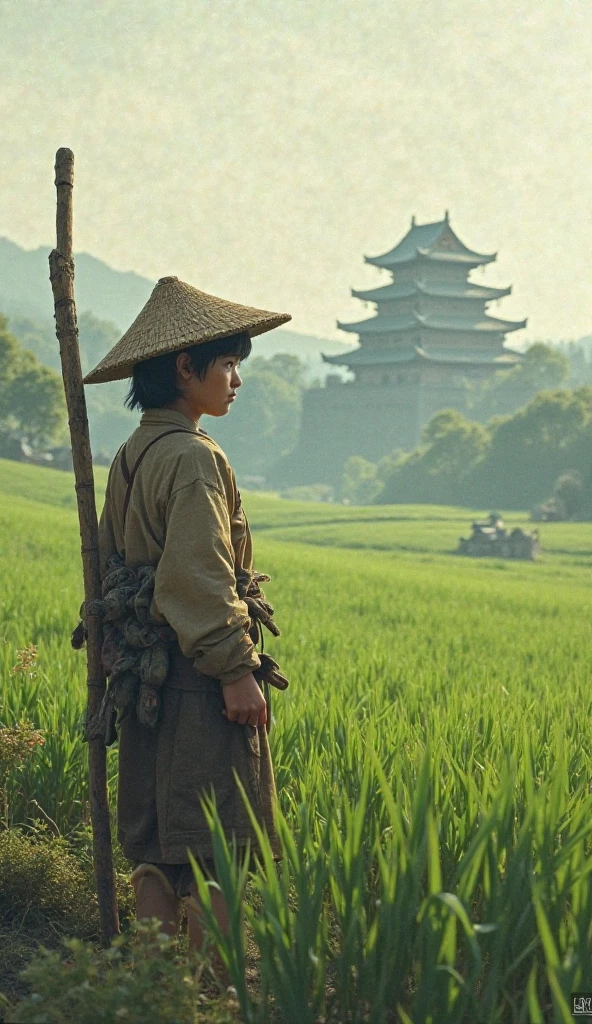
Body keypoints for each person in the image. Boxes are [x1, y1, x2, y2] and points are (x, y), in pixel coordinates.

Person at [84, 276, 291, 985]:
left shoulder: (134, 453)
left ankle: (153, 995)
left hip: (143, 685)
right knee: (216, 852)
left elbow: (123, 571)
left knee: (156, 849)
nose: (236, 380)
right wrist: (234, 669)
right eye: (228, 364)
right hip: (196, 687)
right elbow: (195, 577)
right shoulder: (195, 458)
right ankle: (209, 997)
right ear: (185, 367)